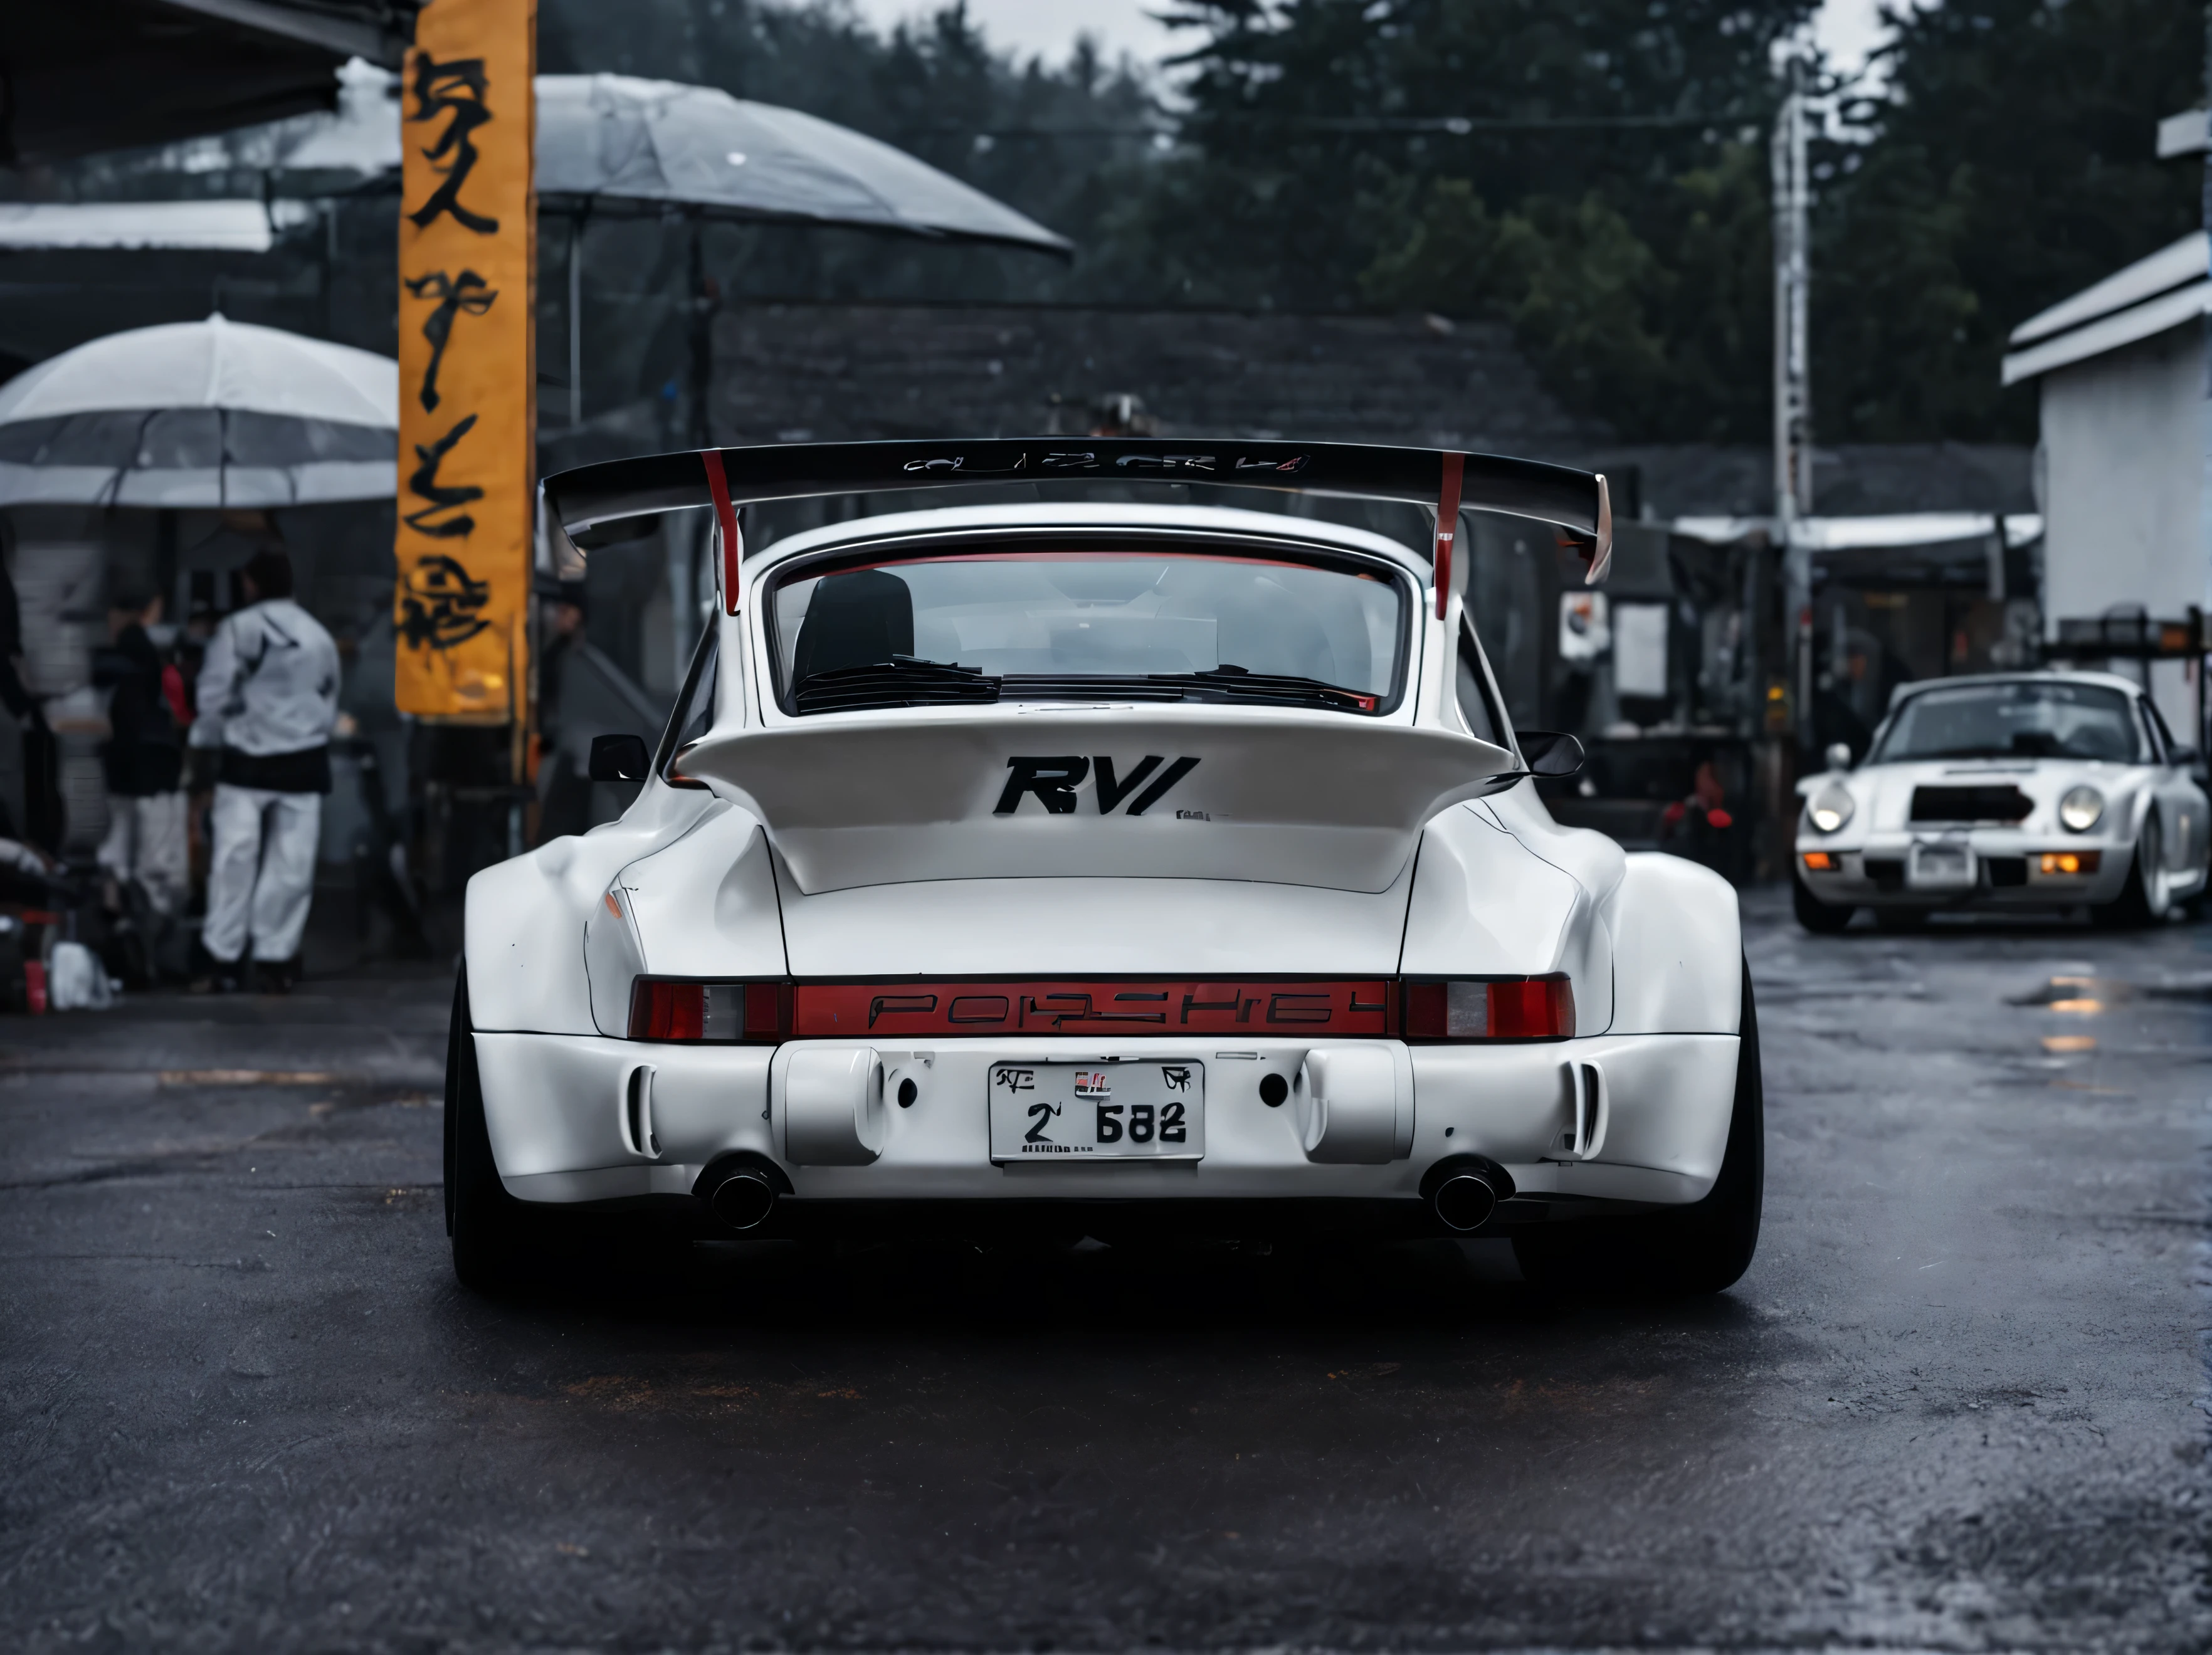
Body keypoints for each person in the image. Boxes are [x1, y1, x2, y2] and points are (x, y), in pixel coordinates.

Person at [188, 547, 339, 993]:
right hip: (304, 761)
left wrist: (206, 743)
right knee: (291, 866)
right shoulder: (318, 635)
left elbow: (212, 697)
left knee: (234, 860)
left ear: (251, 584)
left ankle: (223, 959)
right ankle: (276, 959)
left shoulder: (237, 629)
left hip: (245, 763)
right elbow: (328, 699)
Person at [92, 589, 189, 917]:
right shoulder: (148, 653)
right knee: (153, 855)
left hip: (131, 761)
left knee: (122, 847)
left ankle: (119, 913)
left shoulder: (130, 647)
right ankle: (146, 925)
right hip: (153, 762)